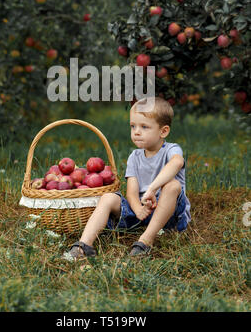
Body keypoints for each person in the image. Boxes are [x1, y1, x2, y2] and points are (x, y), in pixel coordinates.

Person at [68, 96, 191, 258]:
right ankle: (84, 245)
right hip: (140, 211)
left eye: (144, 127)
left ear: (163, 131)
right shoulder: (135, 156)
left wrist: (153, 188)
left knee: (173, 186)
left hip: (168, 215)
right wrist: (138, 209)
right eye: (133, 126)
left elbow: (177, 163)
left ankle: (145, 242)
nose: (136, 132)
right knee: (108, 198)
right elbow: (132, 192)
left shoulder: (171, 150)